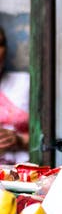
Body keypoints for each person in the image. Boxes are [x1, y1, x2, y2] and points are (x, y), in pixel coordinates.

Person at [0, 26, 30, 165]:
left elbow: (52, 138)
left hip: (22, 177)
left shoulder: (25, 84)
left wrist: (19, 140)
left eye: (0, 44)